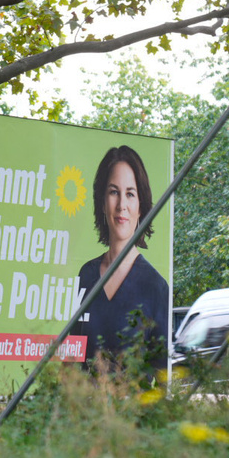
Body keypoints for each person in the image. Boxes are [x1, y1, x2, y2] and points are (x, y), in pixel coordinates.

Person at [76, 146, 170, 368]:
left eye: (130, 194)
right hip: (83, 403)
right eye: (113, 192)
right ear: (101, 202)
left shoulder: (156, 288)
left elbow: (160, 375)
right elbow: (73, 358)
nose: (121, 206)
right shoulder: (86, 275)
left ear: (140, 206)